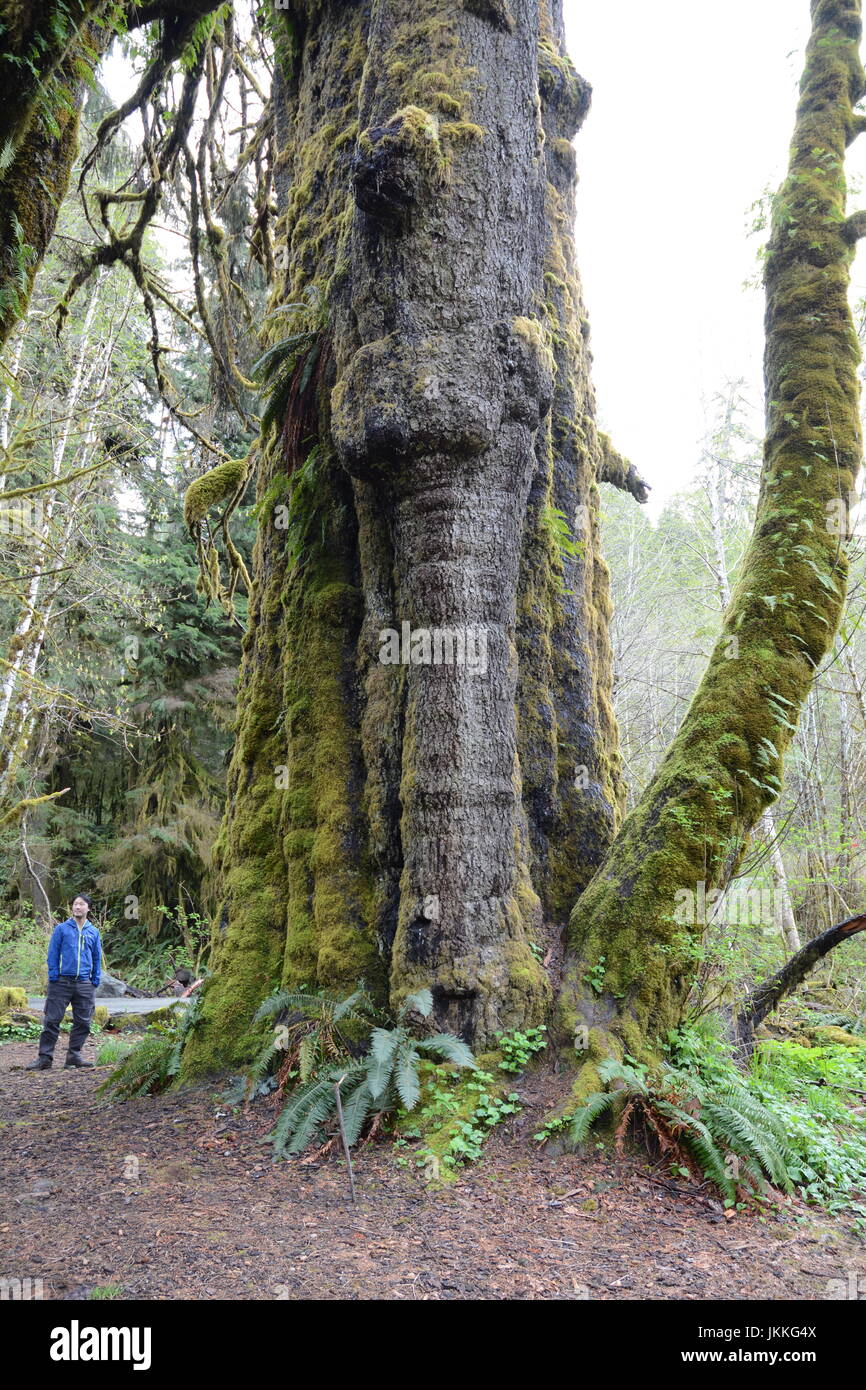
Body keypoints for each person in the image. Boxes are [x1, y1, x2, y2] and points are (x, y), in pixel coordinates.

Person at [26, 894, 102, 1070]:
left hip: (84, 983)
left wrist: (95, 979)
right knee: (52, 1020)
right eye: (75, 904)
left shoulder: (93, 932)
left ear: (88, 908)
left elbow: (97, 957)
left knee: (83, 1022)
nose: (77, 907)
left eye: (81, 904)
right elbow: (53, 953)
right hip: (61, 982)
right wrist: (53, 975)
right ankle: (45, 1058)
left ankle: (73, 1056)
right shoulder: (62, 929)